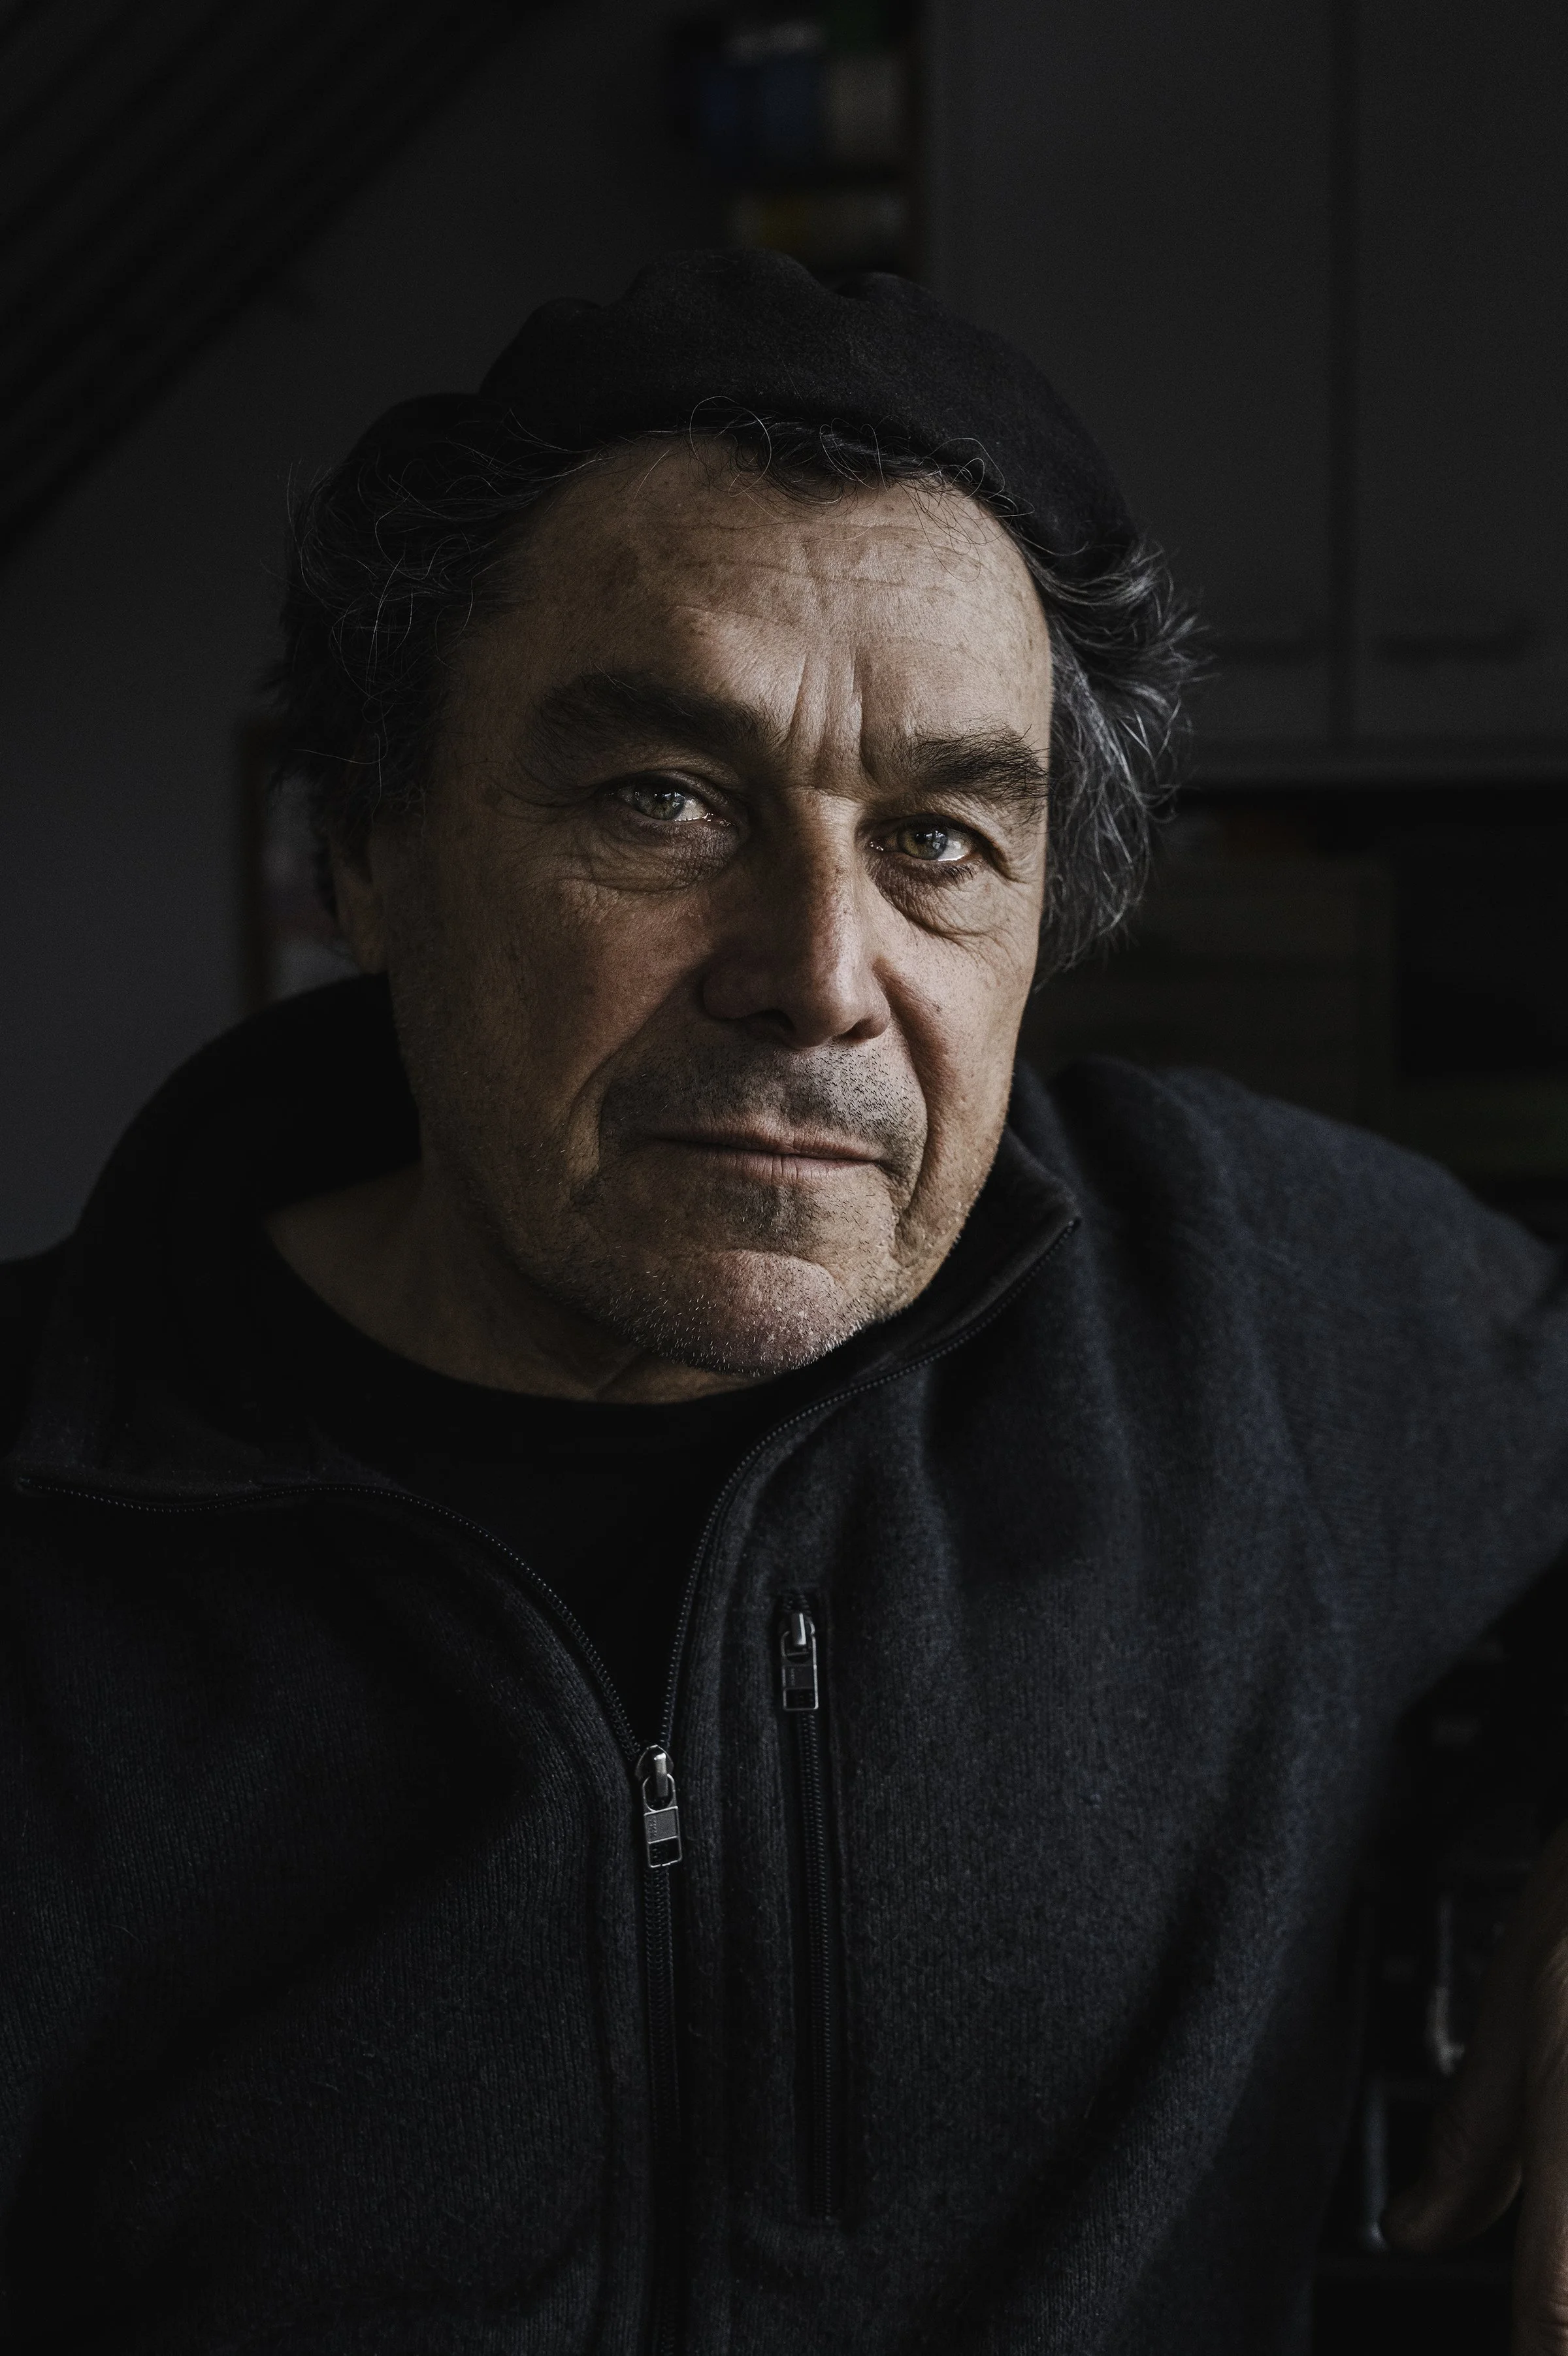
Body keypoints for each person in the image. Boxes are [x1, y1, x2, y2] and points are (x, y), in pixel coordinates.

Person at [3, 248, 1567, 2356]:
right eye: (663, 801)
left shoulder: (1243, 1315)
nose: (819, 972)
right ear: (369, 849)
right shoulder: (52, 1514)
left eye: (939, 838)